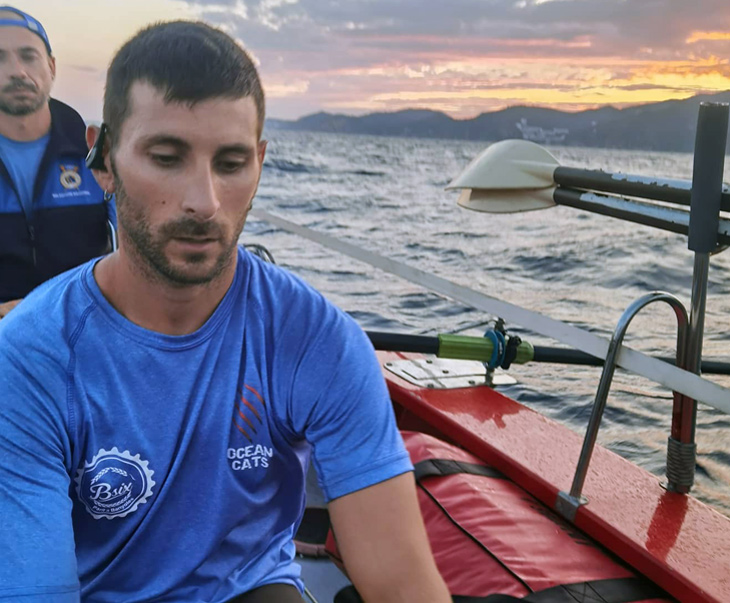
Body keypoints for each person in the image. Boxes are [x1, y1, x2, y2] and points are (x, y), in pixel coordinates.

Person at [0, 19, 450, 603]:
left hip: (251, 589)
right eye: (167, 157)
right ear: (104, 158)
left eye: (232, 163)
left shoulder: (318, 342)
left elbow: (401, 583)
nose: (204, 202)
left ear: (260, 162)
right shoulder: (33, 357)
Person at [0, 6, 115, 319]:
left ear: (51, 66)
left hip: (86, 328)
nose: (17, 71)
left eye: (28, 56)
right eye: (0, 58)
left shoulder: (97, 154)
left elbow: (140, 255)